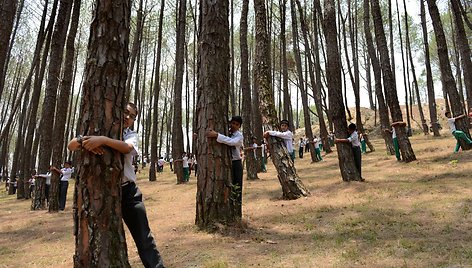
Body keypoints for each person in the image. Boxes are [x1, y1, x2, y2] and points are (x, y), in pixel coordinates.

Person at [67, 102, 164, 267]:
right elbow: (71, 145)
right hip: (101, 195)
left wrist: (103, 141)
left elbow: (127, 148)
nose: (128, 118)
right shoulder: (96, 129)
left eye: (132, 116)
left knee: (144, 238)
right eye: (126, 112)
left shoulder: (130, 134)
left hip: (129, 193)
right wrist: (87, 141)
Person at [206, 116, 244, 212]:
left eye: (237, 124)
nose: (234, 126)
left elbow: (231, 142)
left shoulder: (239, 136)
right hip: (225, 163)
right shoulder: (226, 131)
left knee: (237, 186)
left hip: (236, 164)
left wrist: (217, 135)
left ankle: (237, 211)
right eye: (233, 123)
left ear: (239, 126)